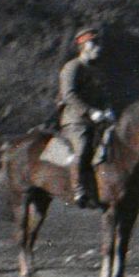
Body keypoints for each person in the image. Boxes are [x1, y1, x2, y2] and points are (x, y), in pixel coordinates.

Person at [57, 26, 113, 209]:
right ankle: (78, 189)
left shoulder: (98, 70)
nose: (98, 47)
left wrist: (107, 109)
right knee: (81, 148)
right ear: (82, 45)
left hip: (98, 119)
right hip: (75, 120)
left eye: (98, 43)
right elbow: (69, 95)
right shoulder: (73, 67)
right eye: (93, 43)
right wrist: (90, 112)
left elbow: (104, 95)